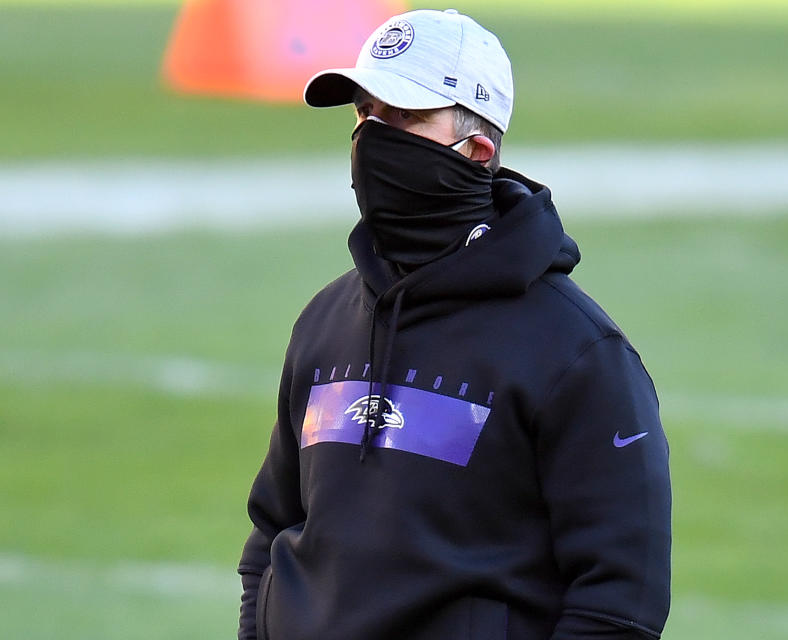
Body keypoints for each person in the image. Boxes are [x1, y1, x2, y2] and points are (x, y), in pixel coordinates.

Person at [238, 8, 671, 640]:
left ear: (478, 150)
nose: (371, 139)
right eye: (364, 113)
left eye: (405, 118)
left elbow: (618, 604)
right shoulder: (325, 320)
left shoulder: (577, 352)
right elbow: (272, 533)